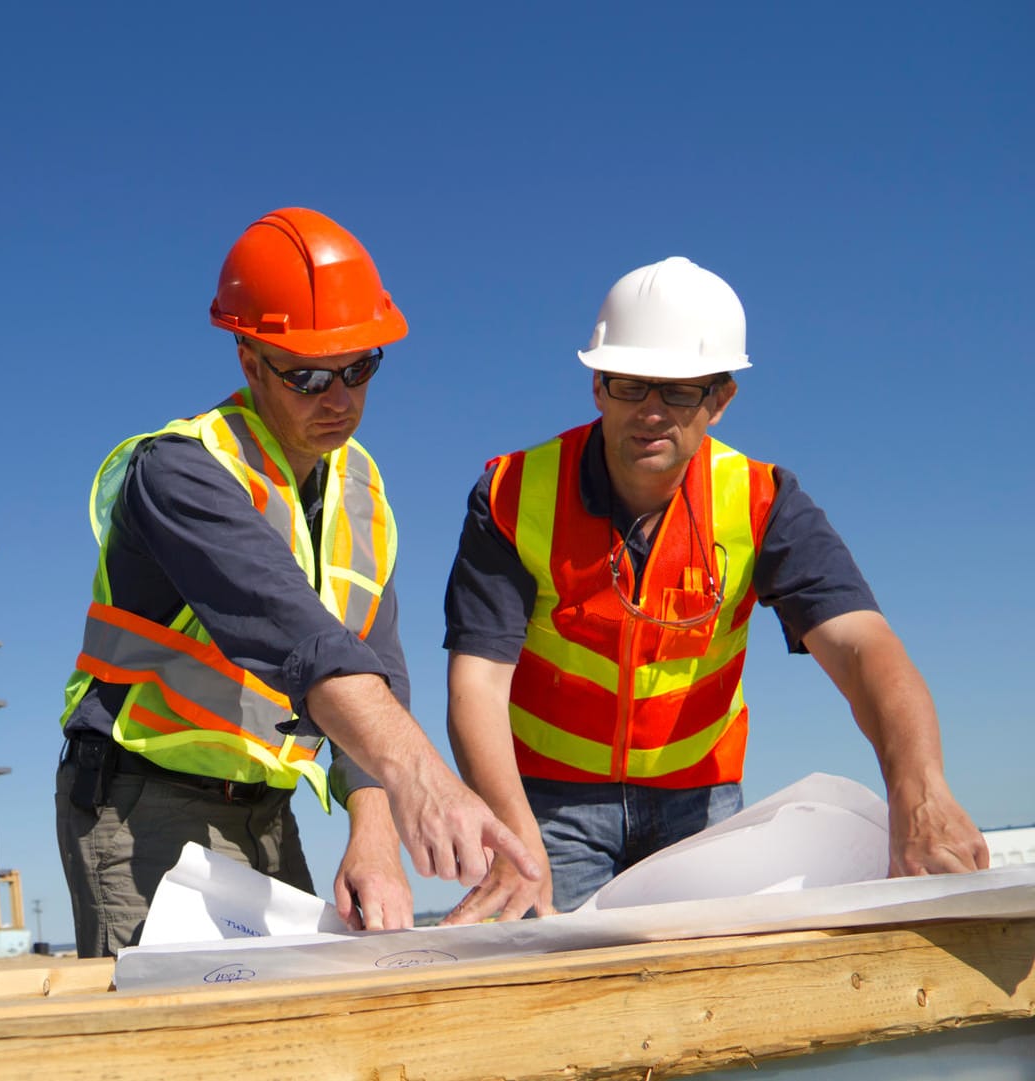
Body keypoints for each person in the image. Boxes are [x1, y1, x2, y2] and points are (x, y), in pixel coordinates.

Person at [440, 256, 989, 922]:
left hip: (697, 800)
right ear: (597, 385)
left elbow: (862, 646)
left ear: (720, 399)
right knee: (543, 983)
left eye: (677, 391)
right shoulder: (511, 494)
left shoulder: (764, 502)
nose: (650, 411)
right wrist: (511, 831)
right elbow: (477, 683)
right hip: (546, 802)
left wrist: (921, 791)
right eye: (630, 383)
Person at [55, 207, 536, 957]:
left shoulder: (361, 490)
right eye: (308, 374)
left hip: (266, 812)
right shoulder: (182, 472)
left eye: (359, 367)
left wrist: (373, 830)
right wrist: (424, 778)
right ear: (249, 360)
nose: (338, 397)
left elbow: (375, 668)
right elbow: (306, 643)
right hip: (140, 800)